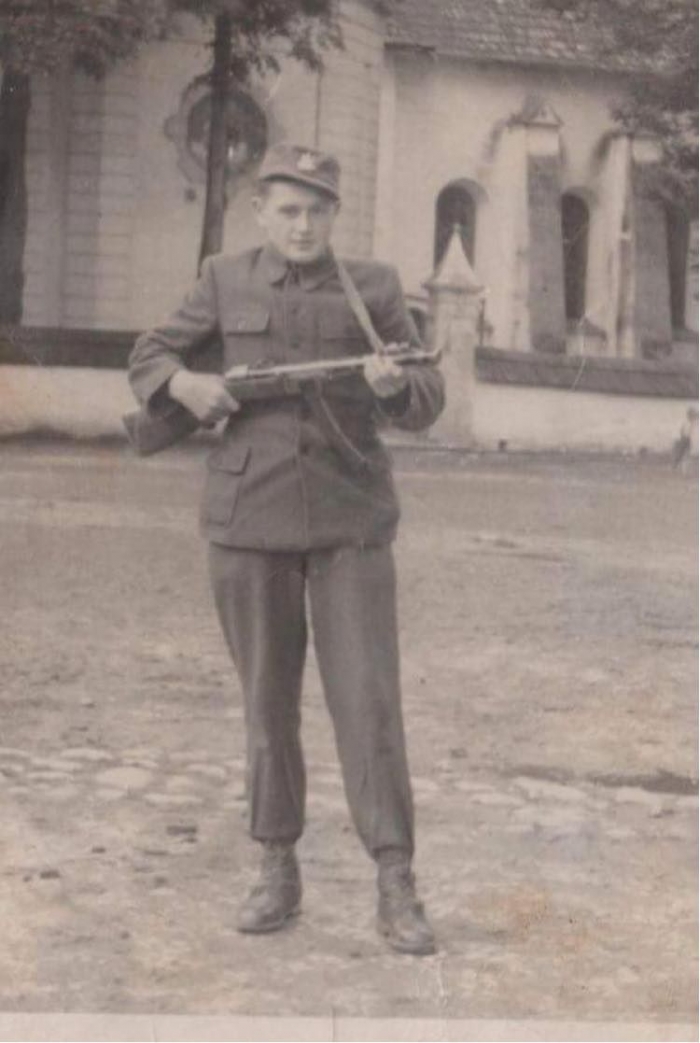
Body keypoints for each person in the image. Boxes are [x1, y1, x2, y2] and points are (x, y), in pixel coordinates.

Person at [128, 143, 445, 956]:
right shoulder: (223, 278)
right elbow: (151, 353)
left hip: (350, 520)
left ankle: (395, 878)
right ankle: (276, 866)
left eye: (317, 210)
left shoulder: (374, 288)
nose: (303, 225)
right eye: (289, 210)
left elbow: (427, 394)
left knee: (368, 702)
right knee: (267, 704)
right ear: (262, 213)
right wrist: (186, 386)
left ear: (335, 214)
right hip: (249, 518)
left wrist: (395, 388)